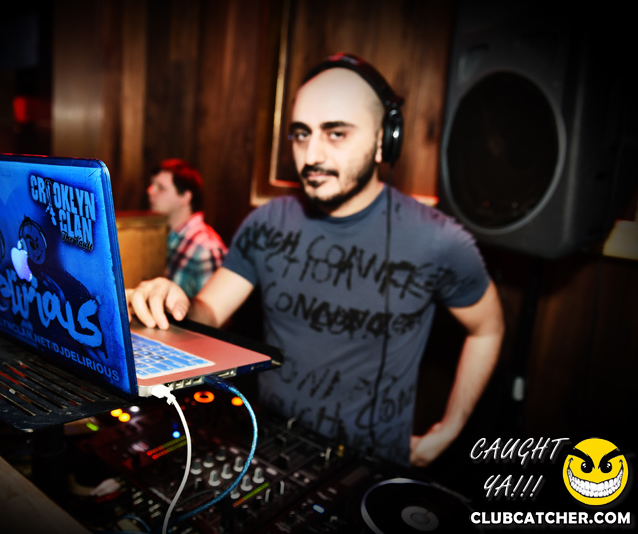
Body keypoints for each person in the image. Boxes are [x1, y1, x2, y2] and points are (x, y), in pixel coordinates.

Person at [130, 54, 504, 467]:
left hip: (371, 467)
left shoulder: (438, 239)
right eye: (301, 134)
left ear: (384, 139)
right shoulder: (268, 222)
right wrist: (174, 301)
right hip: (271, 448)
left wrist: (450, 428)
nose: (311, 156)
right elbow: (209, 312)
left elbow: (487, 329)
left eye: (336, 133)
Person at [147, 159, 227, 298]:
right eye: (152, 184)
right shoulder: (167, 236)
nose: (150, 191)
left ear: (185, 197)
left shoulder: (206, 248)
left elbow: (215, 309)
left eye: (161, 187)